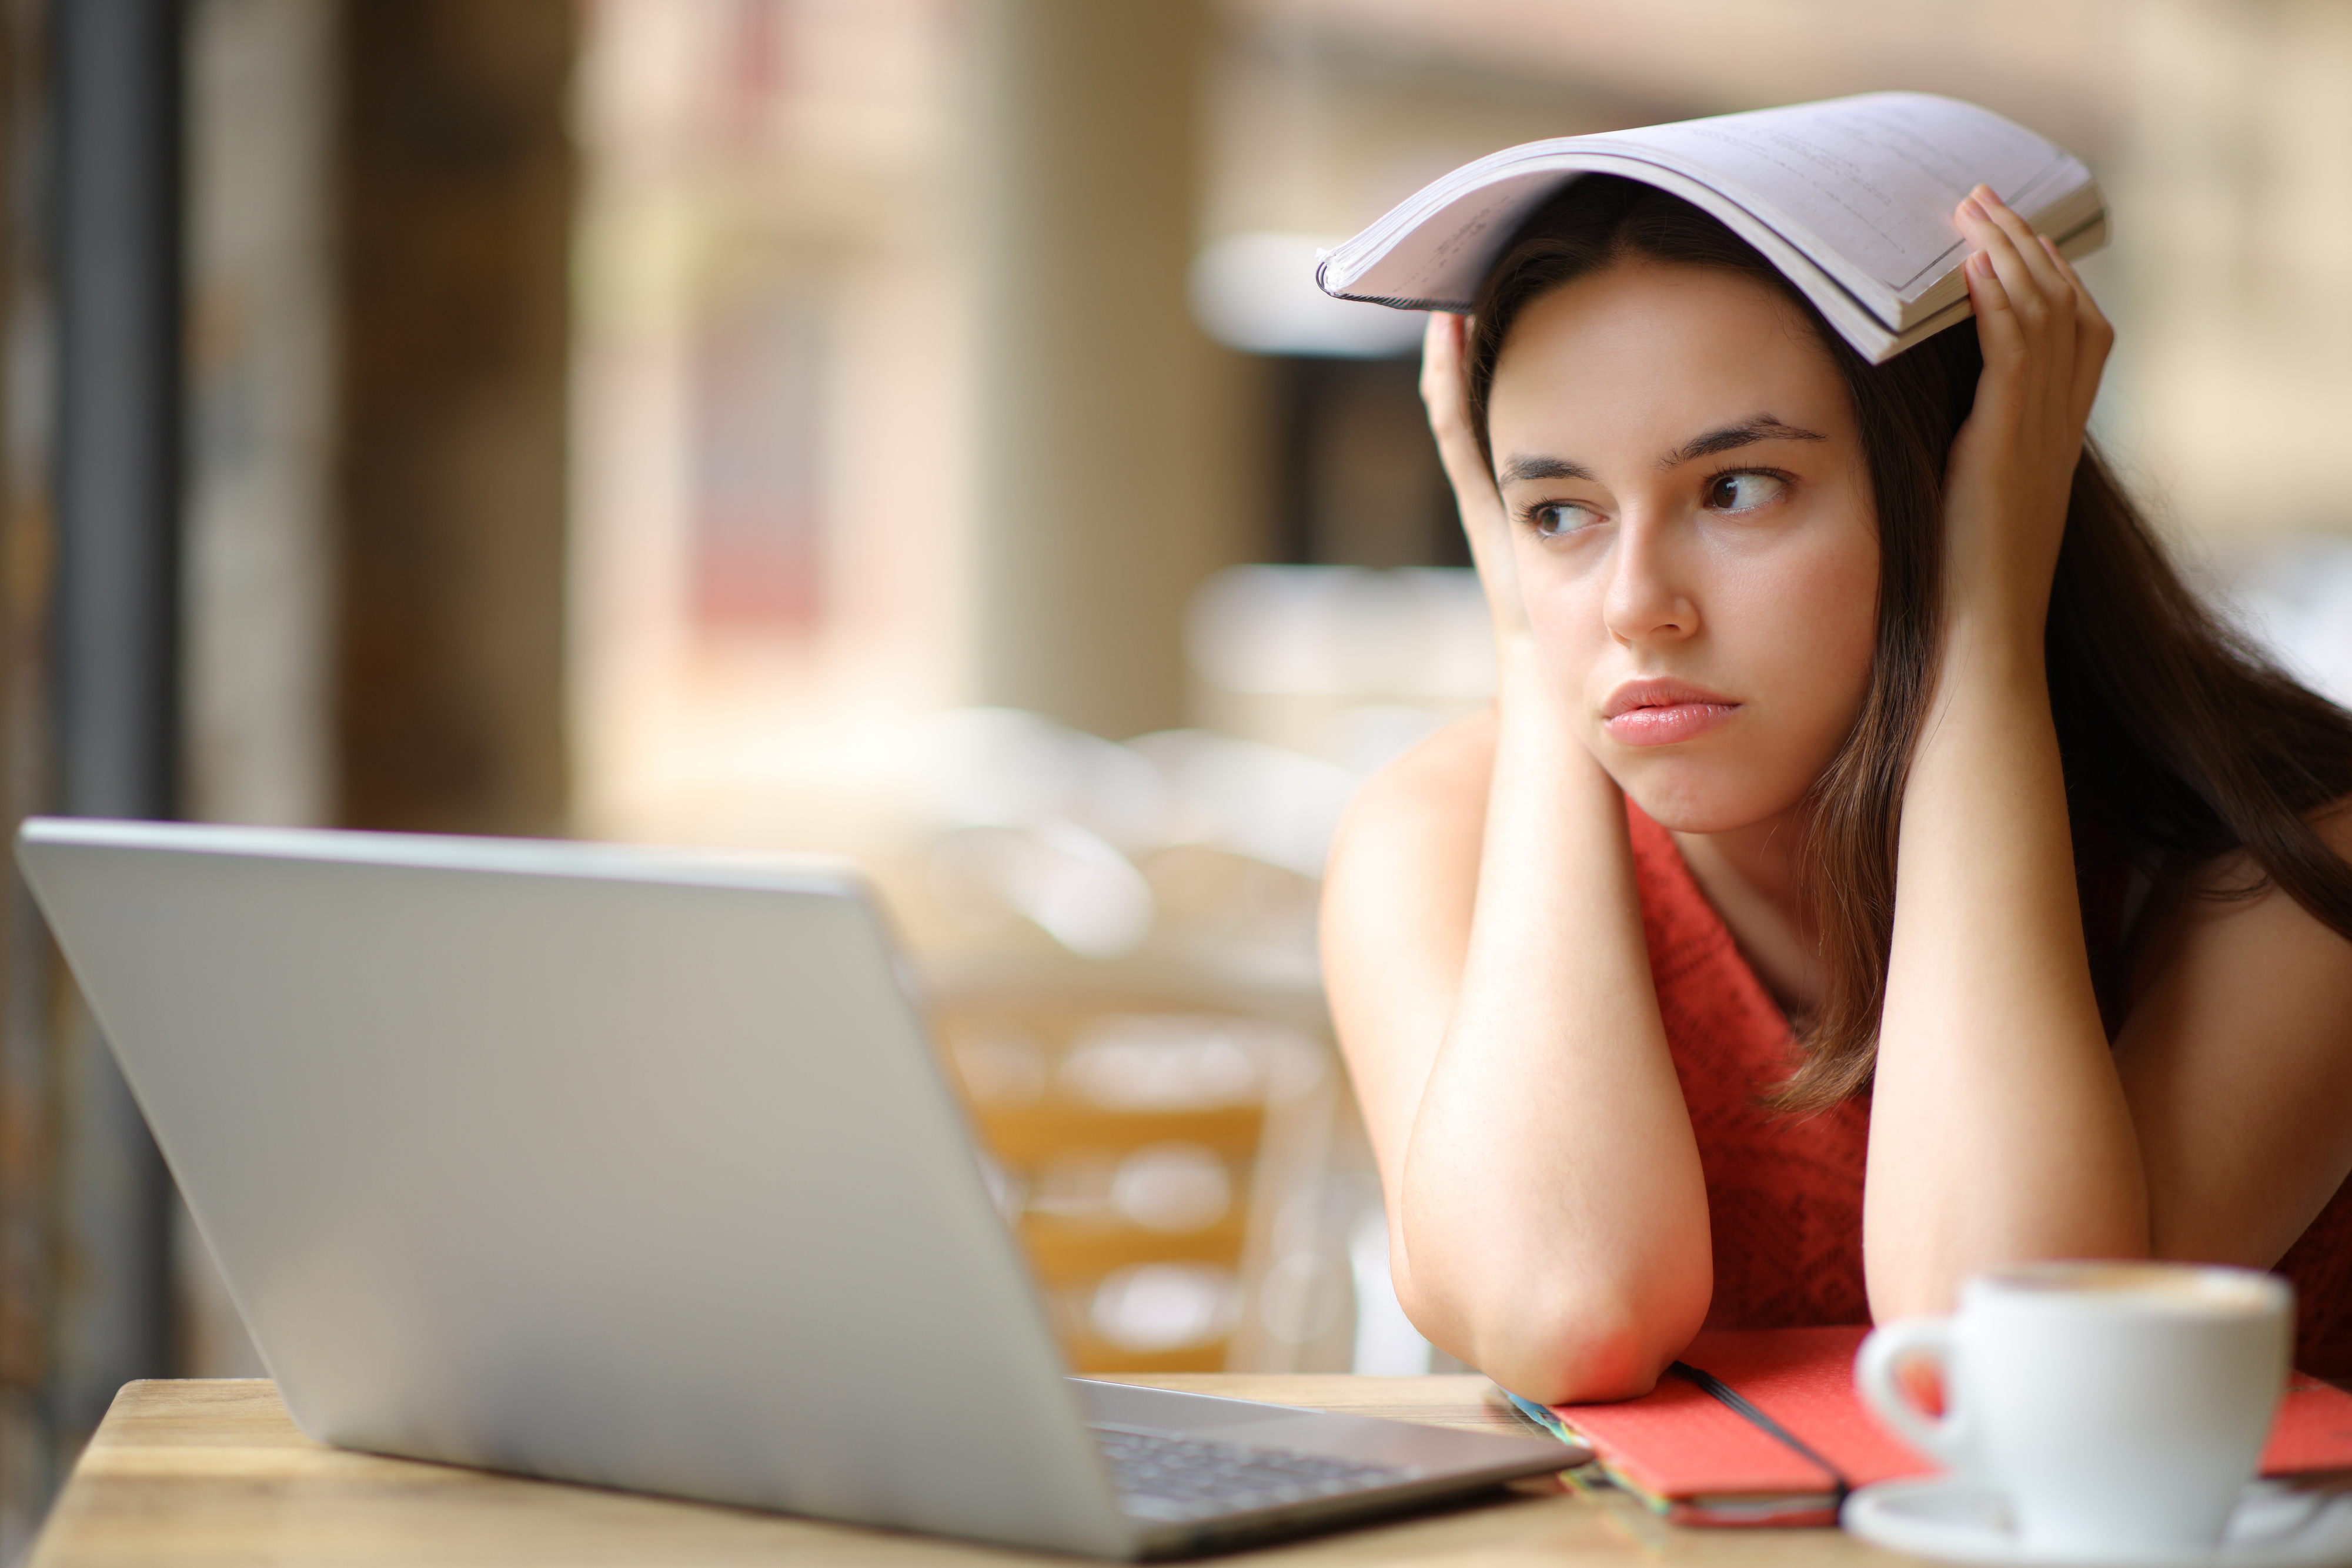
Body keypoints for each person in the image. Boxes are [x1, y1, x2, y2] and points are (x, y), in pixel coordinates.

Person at [1319, 172, 2352, 1405]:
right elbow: (1562, 1309)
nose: (1633, 603)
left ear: (1950, 476)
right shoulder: (1432, 833)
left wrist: (1977, 617)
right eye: (1555, 510)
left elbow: (2007, 1360)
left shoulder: (2301, 853)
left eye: (1734, 487)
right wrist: (1526, 653)